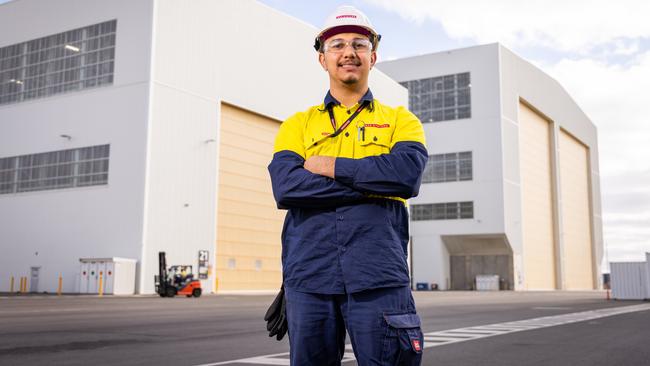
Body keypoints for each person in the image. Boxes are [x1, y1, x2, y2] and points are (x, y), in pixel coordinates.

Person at [268, 5, 428, 365]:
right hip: (309, 277)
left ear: (373, 56)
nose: (348, 52)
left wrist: (328, 166)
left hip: (379, 276)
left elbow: (405, 177)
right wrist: (374, 184)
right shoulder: (297, 124)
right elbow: (287, 188)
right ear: (323, 59)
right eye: (337, 44)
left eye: (359, 44)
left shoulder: (401, 120)